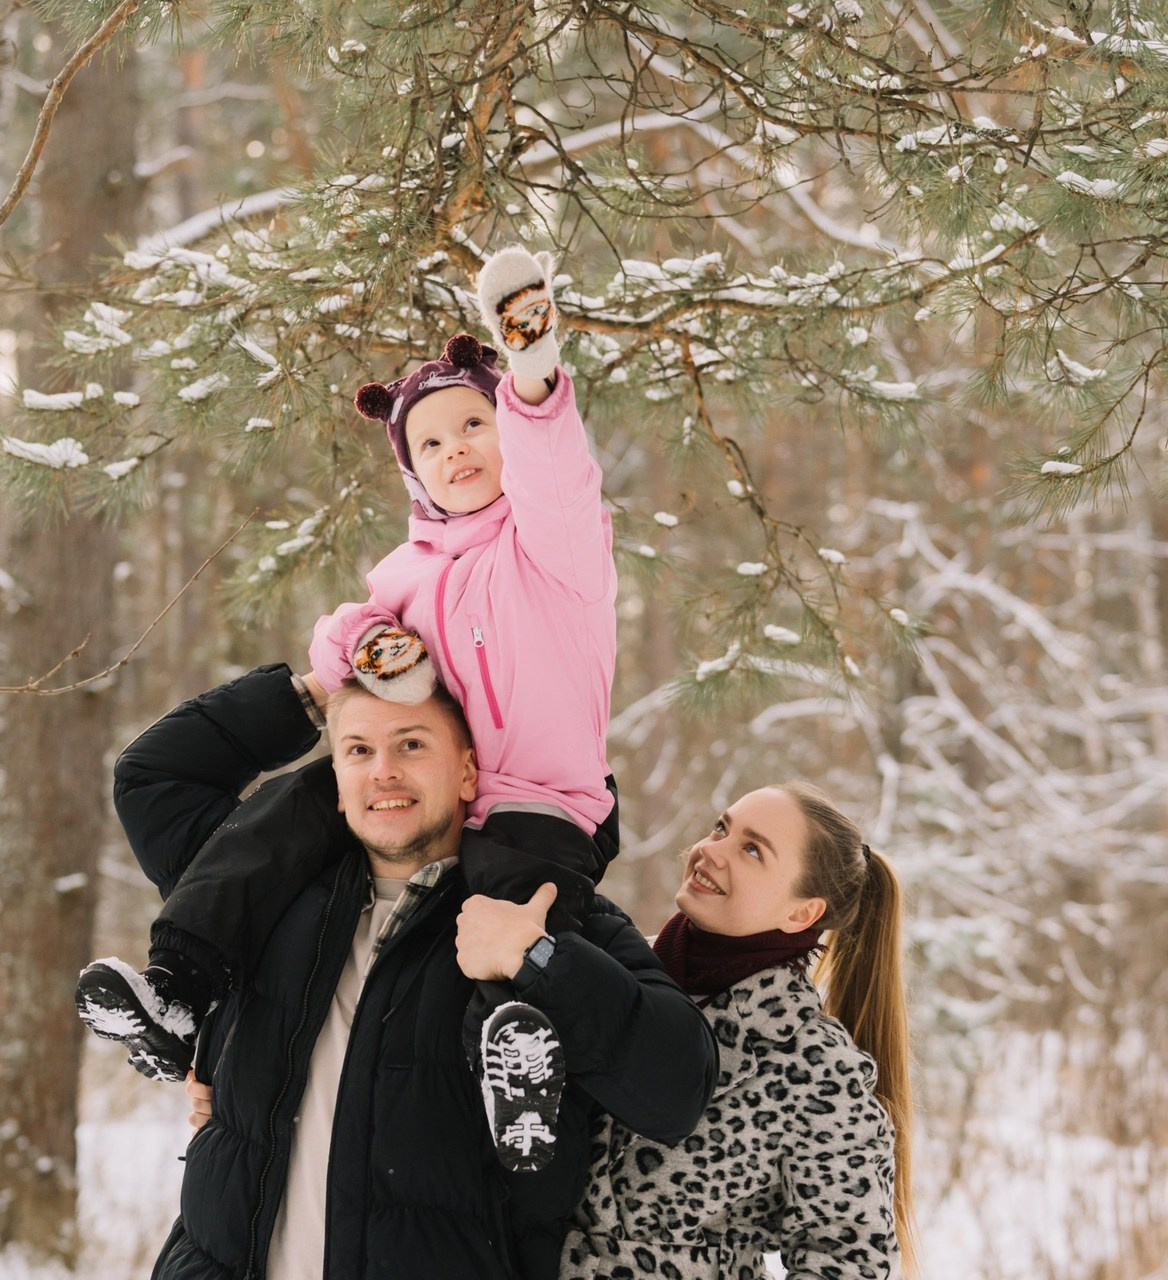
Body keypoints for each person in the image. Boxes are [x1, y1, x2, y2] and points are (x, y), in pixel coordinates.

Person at [76, 244, 618, 1171]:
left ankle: (522, 1067)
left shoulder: (554, 552)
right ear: (411, 473)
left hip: (542, 799)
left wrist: (530, 376)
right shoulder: (405, 572)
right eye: (431, 444)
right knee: (290, 809)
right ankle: (181, 985)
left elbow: (561, 478)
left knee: (503, 916)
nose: (455, 451)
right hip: (427, 783)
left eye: (473, 425)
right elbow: (344, 640)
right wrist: (369, 647)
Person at [102, 662, 717, 1280]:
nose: (383, 771)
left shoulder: (552, 918)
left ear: (470, 770)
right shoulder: (256, 893)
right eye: (359, 749)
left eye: (412, 744)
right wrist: (328, 678)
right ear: (335, 781)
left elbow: (676, 1090)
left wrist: (537, 961)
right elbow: (154, 774)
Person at [456, 780, 917, 1279]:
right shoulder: (599, 965)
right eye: (722, 827)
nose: (710, 851)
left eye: (752, 850)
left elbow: (851, 1260)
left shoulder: (813, 1065)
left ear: (802, 913)